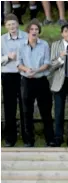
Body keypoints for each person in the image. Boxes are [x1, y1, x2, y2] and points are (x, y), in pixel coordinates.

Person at [17, 19, 55, 147]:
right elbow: (19, 63)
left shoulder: (44, 44)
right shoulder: (21, 45)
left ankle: (50, 139)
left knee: (46, 111)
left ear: (39, 31)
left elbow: (47, 63)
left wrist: (36, 70)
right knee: (27, 112)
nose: (34, 32)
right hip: (26, 81)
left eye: (36, 29)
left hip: (41, 81)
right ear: (28, 31)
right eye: (32, 29)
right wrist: (27, 69)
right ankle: (29, 140)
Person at [1, 13, 28, 147]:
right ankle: (10, 139)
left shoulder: (26, 37)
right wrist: (7, 57)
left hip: (23, 75)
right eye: (9, 25)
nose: (12, 27)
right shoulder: (1, 40)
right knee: (9, 108)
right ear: (5, 26)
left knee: (25, 107)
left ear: (18, 24)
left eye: (13, 24)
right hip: (8, 76)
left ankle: (27, 138)